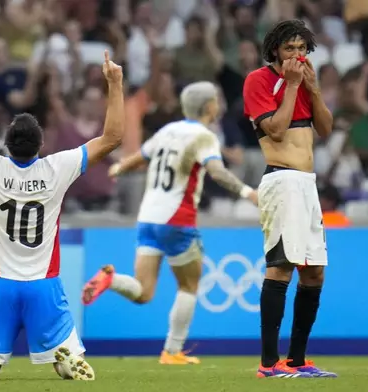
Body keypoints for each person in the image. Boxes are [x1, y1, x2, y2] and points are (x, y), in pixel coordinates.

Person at [0, 50, 124, 381]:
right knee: (66, 360)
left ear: (7, 143)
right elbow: (112, 138)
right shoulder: (58, 167)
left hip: (1, 283)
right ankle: (66, 358)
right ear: (41, 144)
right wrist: (114, 84)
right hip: (43, 283)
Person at [81, 81, 258, 365]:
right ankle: (172, 351)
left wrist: (118, 167)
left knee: (143, 291)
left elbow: (140, 156)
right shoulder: (205, 136)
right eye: (217, 100)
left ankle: (111, 279)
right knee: (188, 286)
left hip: (148, 218)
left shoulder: (167, 131)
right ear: (209, 106)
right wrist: (249, 192)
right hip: (177, 220)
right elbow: (218, 172)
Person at [243, 20, 337, 378]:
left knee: (314, 272)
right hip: (281, 180)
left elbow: (325, 130)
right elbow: (277, 129)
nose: (297, 55)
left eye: (302, 48)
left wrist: (312, 90)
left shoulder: (305, 79)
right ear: (274, 52)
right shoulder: (259, 81)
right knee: (281, 266)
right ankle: (269, 364)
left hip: (307, 184)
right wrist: (294, 87)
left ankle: (297, 360)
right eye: (289, 49)